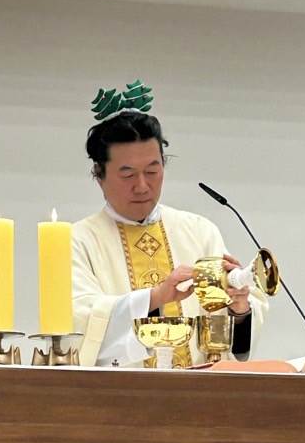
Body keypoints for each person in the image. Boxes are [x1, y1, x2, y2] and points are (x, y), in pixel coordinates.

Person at [73, 81, 267, 366]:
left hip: (197, 389)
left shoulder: (199, 231)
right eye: (127, 175)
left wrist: (239, 309)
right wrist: (154, 298)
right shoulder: (78, 240)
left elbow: (233, 345)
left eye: (152, 171)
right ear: (98, 175)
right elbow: (80, 324)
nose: (142, 186)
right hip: (119, 390)